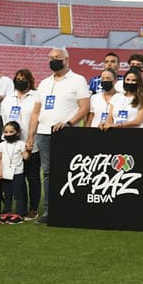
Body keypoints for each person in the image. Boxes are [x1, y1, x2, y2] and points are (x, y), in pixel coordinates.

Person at [27, 47, 90, 224]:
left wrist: (69, 123)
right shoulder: (45, 83)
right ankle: (50, 211)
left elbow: (85, 107)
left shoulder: (78, 80)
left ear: (66, 60)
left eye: (57, 57)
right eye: (51, 57)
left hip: (66, 133)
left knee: (69, 171)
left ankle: (70, 207)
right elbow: (36, 112)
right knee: (47, 173)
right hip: (43, 133)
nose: (53, 60)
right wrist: (31, 136)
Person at [1, 68, 40, 219]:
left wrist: (31, 138)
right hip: (13, 145)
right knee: (18, 177)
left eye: (24, 78)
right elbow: (5, 120)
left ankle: (34, 208)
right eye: (18, 78)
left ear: (30, 81)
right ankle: (21, 208)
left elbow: (38, 119)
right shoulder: (8, 99)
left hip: (32, 144)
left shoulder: (37, 97)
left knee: (33, 177)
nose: (20, 81)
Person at [0, 121, 27, 224]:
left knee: (18, 194)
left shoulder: (21, 144)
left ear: (17, 133)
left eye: (11, 132)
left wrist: (28, 150)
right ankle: (7, 211)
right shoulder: (1, 145)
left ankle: (19, 213)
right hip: (6, 173)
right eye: (6, 132)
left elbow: (25, 157)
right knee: (7, 193)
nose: (8, 134)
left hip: (17, 173)